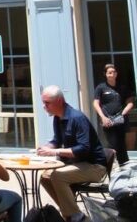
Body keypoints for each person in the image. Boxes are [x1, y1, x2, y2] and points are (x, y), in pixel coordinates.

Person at [37, 85, 107, 221]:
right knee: (45, 177)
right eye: (43, 103)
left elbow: (83, 148)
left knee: (57, 176)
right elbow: (56, 140)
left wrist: (53, 151)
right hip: (77, 164)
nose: (44, 106)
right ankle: (69, 211)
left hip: (94, 166)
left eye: (47, 103)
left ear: (59, 101)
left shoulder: (77, 118)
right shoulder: (57, 118)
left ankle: (77, 216)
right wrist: (45, 149)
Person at [92, 63, 134, 166]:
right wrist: (102, 117)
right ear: (105, 74)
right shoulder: (101, 87)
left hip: (120, 120)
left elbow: (130, 102)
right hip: (108, 120)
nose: (112, 74)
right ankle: (109, 166)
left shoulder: (122, 87)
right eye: (109, 72)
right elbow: (95, 103)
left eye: (114, 72)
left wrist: (123, 114)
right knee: (113, 144)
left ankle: (124, 166)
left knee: (121, 144)